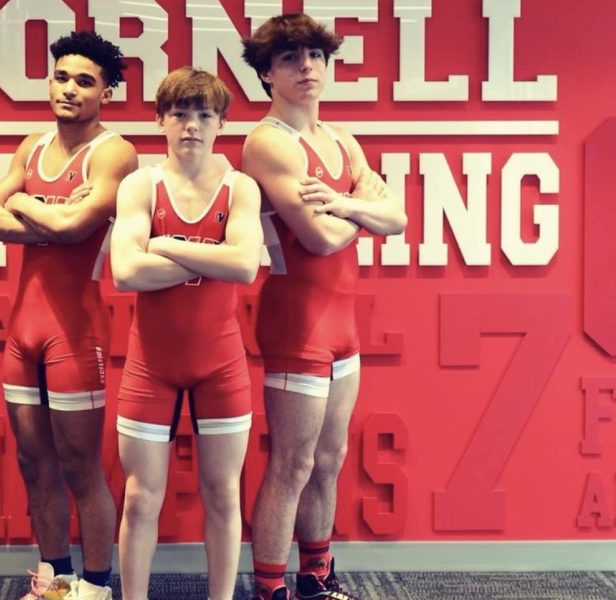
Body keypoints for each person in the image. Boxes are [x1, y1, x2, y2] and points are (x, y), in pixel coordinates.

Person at [241, 14, 408, 600]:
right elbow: (316, 239)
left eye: (315, 55)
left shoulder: (341, 141)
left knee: (330, 459)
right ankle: (268, 588)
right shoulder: (264, 140)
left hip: (343, 324)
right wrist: (360, 206)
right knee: (292, 463)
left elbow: (399, 218)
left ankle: (315, 578)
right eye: (289, 58)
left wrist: (339, 202)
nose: (307, 67)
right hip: (297, 322)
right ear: (267, 73)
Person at [0, 30, 138, 600]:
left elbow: (76, 228)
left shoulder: (114, 152)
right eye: (61, 77)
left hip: (76, 330)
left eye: (85, 82)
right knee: (31, 460)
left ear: (107, 93)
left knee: (79, 464)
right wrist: (36, 206)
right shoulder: (31, 147)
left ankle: (95, 587)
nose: (69, 90)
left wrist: (19, 202)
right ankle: (55, 579)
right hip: (23, 330)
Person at [109, 67, 263, 600]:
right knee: (140, 499)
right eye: (179, 113)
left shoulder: (240, 188)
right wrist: (209, 259)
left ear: (221, 123)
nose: (191, 125)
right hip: (150, 365)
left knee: (223, 495)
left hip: (221, 365)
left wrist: (165, 245)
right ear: (160, 121)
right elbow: (125, 273)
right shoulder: (139, 185)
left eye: (203, 114)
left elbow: (244, 265)